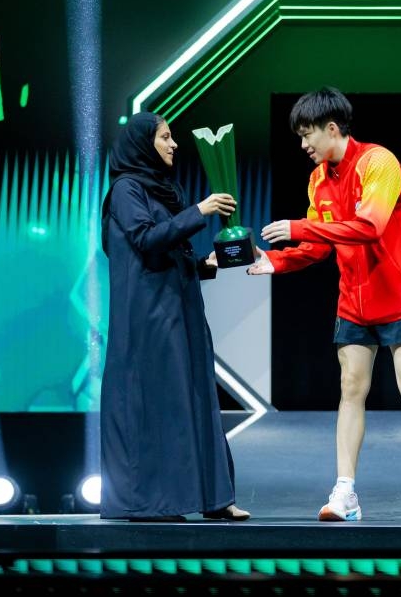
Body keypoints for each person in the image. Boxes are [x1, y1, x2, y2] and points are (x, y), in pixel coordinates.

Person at [248, 87, 401, 523]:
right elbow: (320, 246)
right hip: (354, 303)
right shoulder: (318, 180)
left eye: (307, 134)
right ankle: (345, 493)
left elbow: (369, 226)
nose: (303, 144)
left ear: (332, 128)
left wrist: (299, 227)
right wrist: (276, 261)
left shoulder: (379, 163)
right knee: (351, 389)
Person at [100, 111, 250, 522]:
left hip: (180, 309)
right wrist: (200, 210)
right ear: (142, 144)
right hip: (150, 317)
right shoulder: (126, 189)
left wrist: (205, 263)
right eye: (165, 137)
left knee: (197, 396)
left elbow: (168, 252)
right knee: (163, 403)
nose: (174, 144)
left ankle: (214, 497)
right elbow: (146, 239)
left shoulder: (163, 189)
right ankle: (161, 501)